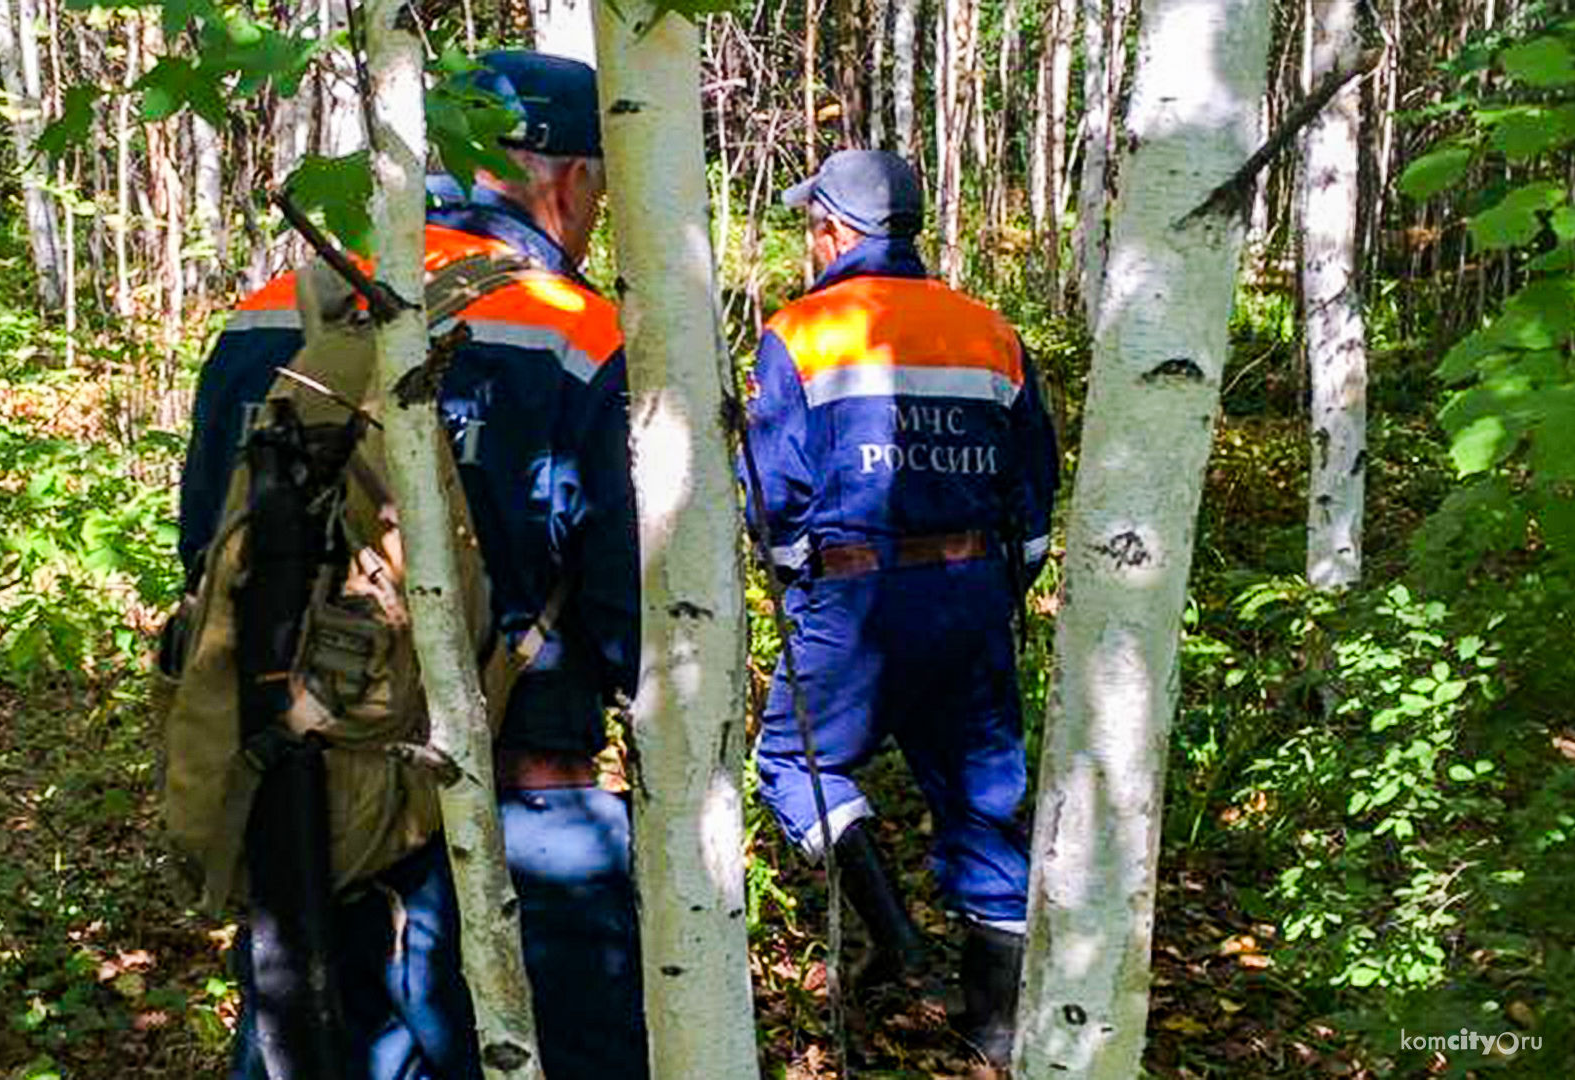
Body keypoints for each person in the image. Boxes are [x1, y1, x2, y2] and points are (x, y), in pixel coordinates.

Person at [176, 50, 645, 1080]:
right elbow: (633, 608)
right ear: (567, 180)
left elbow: (202, 550)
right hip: (524, 812)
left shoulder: (272, 311)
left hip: (304, 802)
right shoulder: (579, 334)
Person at [740, 149, 1058, 1066]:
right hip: (970, 594)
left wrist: (805, 579)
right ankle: (996, 1028)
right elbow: (1032, 488)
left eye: (813, 225)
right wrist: (1000, 585)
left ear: (836, 230)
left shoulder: (802, 331)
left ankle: (898, 938)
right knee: (982, 798)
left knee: (796, 762)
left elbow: (774, 490)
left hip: (855, 591)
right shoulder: (990, 333)